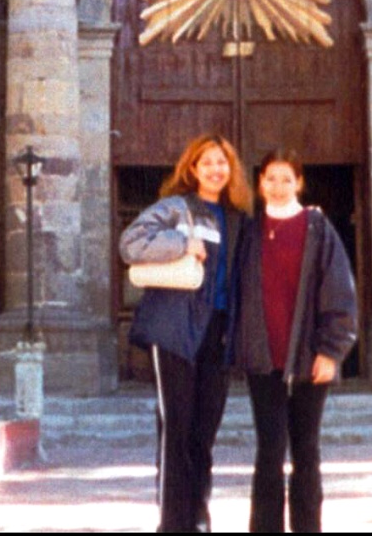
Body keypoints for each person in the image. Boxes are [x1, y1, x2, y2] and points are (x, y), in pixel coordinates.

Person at [119, 134, 252, 533]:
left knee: (204, 430)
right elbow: (130, 243)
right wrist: (181, 242)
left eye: (222, 162)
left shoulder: (239, 218)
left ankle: (198, 514)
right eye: (207, 162)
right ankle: (173, 522)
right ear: (192, 169)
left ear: (232, 170)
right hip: (175, 330)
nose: (216, 169)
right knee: (176, 425)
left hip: (218, 332)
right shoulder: (176, 209)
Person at [235, 148, 358, 533]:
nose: (277, 186)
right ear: (259, 182)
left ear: (299, 183)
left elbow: (339, 292)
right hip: (263, 357)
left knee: (306, 450)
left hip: (309, 358)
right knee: (269, 452)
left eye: (286, 178)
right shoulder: (249, 232)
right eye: (270, 178)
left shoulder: (318, 229)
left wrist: (330, 351)